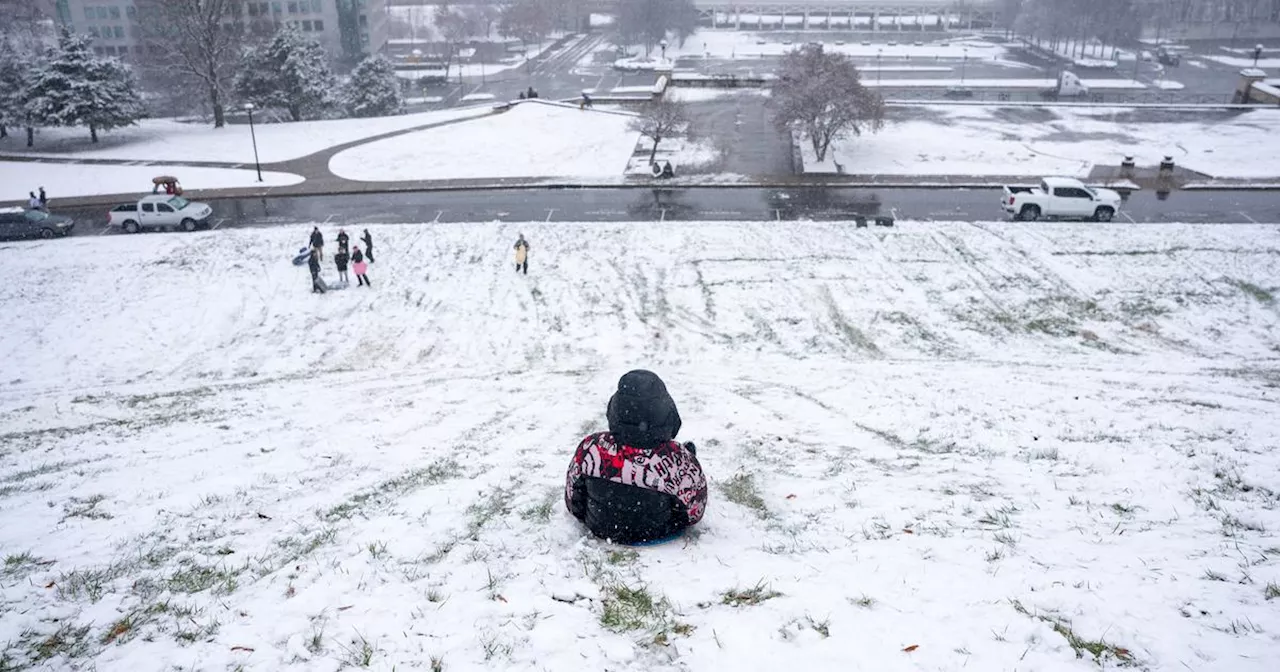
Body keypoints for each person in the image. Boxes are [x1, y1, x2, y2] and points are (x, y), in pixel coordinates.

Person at [565, 370, 707, 544]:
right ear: (667, 414)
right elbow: (695, 510)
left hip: (600, 526)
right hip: (659, 531)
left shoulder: (592, 448)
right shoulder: (676, 460)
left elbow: (573, 496)